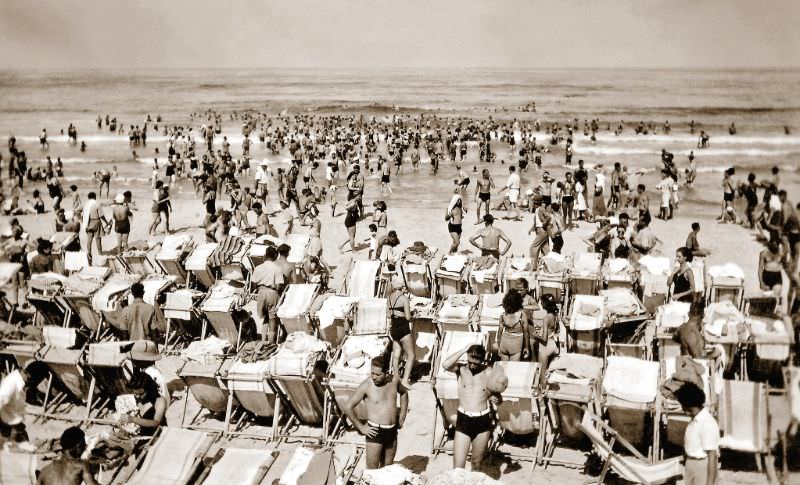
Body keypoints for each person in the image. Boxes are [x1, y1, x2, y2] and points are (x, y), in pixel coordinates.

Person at [342, 355, 408, 470]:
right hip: (375, 432)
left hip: (392, 431)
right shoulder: (367, 385)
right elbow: (348, 407)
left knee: (387, 469)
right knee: (372, 471)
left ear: (387, 373)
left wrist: (402, 415)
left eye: (378, 374)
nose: (373, 377)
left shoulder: (394, 381)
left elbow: (404, 393)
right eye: (372, 373)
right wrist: (361, 427)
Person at [442, 344, 496, 471]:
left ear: (482, 360)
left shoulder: (488, 372)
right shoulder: (460, 370)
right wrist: (463, 349)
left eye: (475, 363)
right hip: (464, 419)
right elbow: (445, 365)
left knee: (476, 464)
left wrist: (497, 399)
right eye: (469, 362)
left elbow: (498, 397)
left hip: (482, 420)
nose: (471, 366)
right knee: (458, 468)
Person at [675, 382, 719, 485]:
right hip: (691, 465)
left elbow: (712, 456)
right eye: (685, 409)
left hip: (703, 466)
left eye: (689, 410)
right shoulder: (693, 421)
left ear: (698, 406)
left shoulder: (708, 423)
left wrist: (710, 483)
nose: (686, 413)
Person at [1, 362, 45, 451]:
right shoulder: (11, 386)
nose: (33, 385)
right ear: (29, 376)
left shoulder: (18, 382)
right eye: (35, 382)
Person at [251, 246, 285, 343]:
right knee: (272, 320)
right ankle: (271, 343)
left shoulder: (258, 268)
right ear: (275, 256)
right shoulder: (277, 269)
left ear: (265, 255)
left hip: (261, 292)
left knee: (265, 318)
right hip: (272, 292)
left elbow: (253, 284)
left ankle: (263, 341)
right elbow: (278, 287)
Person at [119, 370, 168, 436]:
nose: (137, 396)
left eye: (140, 394)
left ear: (150, 390)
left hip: (157, 436)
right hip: (143, 434)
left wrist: (133, 419)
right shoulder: (142, 400)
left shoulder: (160, 400)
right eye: (135, 394)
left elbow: (156, 423)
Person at [386, 276, 415, 389]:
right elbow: (408, 317)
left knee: (396, 355)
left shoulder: (389, 298)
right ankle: (405, 380)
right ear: (402, 286)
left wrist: (397, 314)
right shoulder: (404, 298)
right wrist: (414, 317)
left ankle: (396, 378)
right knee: (411, 355)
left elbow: (388, 315)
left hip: (394, 329)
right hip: (403, 328)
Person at [533, 294, 559, 389]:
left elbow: (544, 338)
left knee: (542, 376)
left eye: (541, 302)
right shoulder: (555, 316)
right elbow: (556, 330)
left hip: (545, 347)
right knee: (550, 374)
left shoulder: (546, 317)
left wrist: (535, 335)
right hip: (553, 344)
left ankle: (542, 399)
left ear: (544, 304)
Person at [496, 290, 529, 361]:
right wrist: (526, 347)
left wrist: (499, 347)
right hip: (515, 344)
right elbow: (526, 333)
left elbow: (499, 333)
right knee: (513, 369)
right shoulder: (522, 315)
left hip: (504, 343)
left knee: (504, 369)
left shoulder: (503, 315)